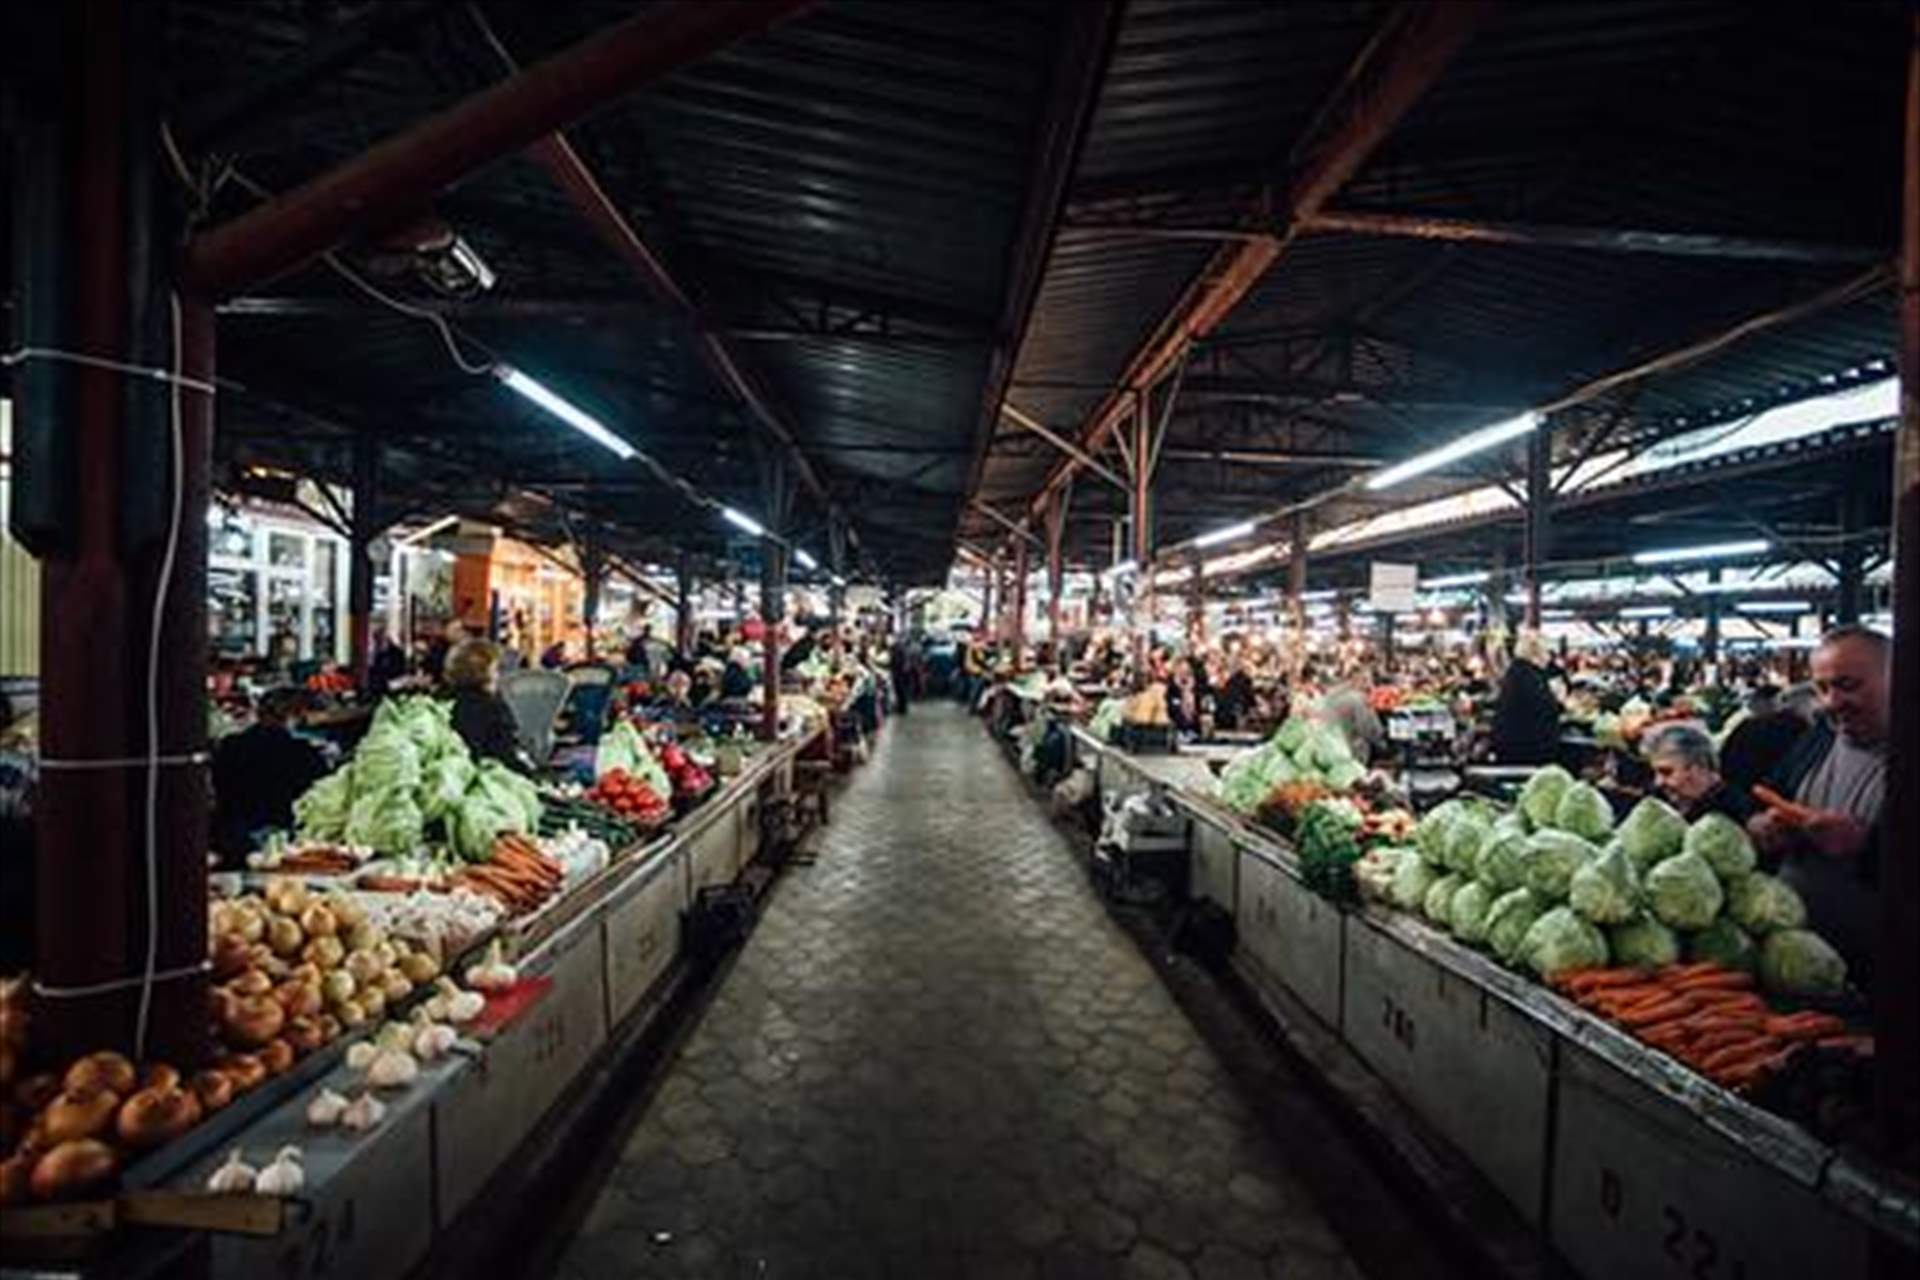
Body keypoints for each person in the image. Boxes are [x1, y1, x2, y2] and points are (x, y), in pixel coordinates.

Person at [1748, 626, 1888, 987]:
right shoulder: (1821, 737)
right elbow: (1769, 796)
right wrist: (1764, 826)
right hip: (1793, 960)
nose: (1830, 702)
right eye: (1823, 688)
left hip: (1883, 976)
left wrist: (1865, 845)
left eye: (1848, 685)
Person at [211, 687, 330, 865]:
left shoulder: (229, 746)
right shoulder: (302, 753)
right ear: (295, 716)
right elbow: (317, 797)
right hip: (279, 840)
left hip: (230, 836)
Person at [444, 638, 534, 770]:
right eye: (496, 669)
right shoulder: (493, 708)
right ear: (486, 673)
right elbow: (506, 755)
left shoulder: (441, 703)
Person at [1642, 722, 1752, 823]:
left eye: (1667, 772)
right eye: (1655, 773)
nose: (1658, 782)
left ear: (1700, 766)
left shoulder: (1737, 813)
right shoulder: (1660, 807)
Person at [1490, 630, 1563, 765]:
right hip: (1527, 749)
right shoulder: (1529, 676)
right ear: (1536, 651)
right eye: (1546, 651)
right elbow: (1545, 707)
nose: (1549, 656)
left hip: (1513, 745)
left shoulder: (1519, 671)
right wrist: (1559, 701)